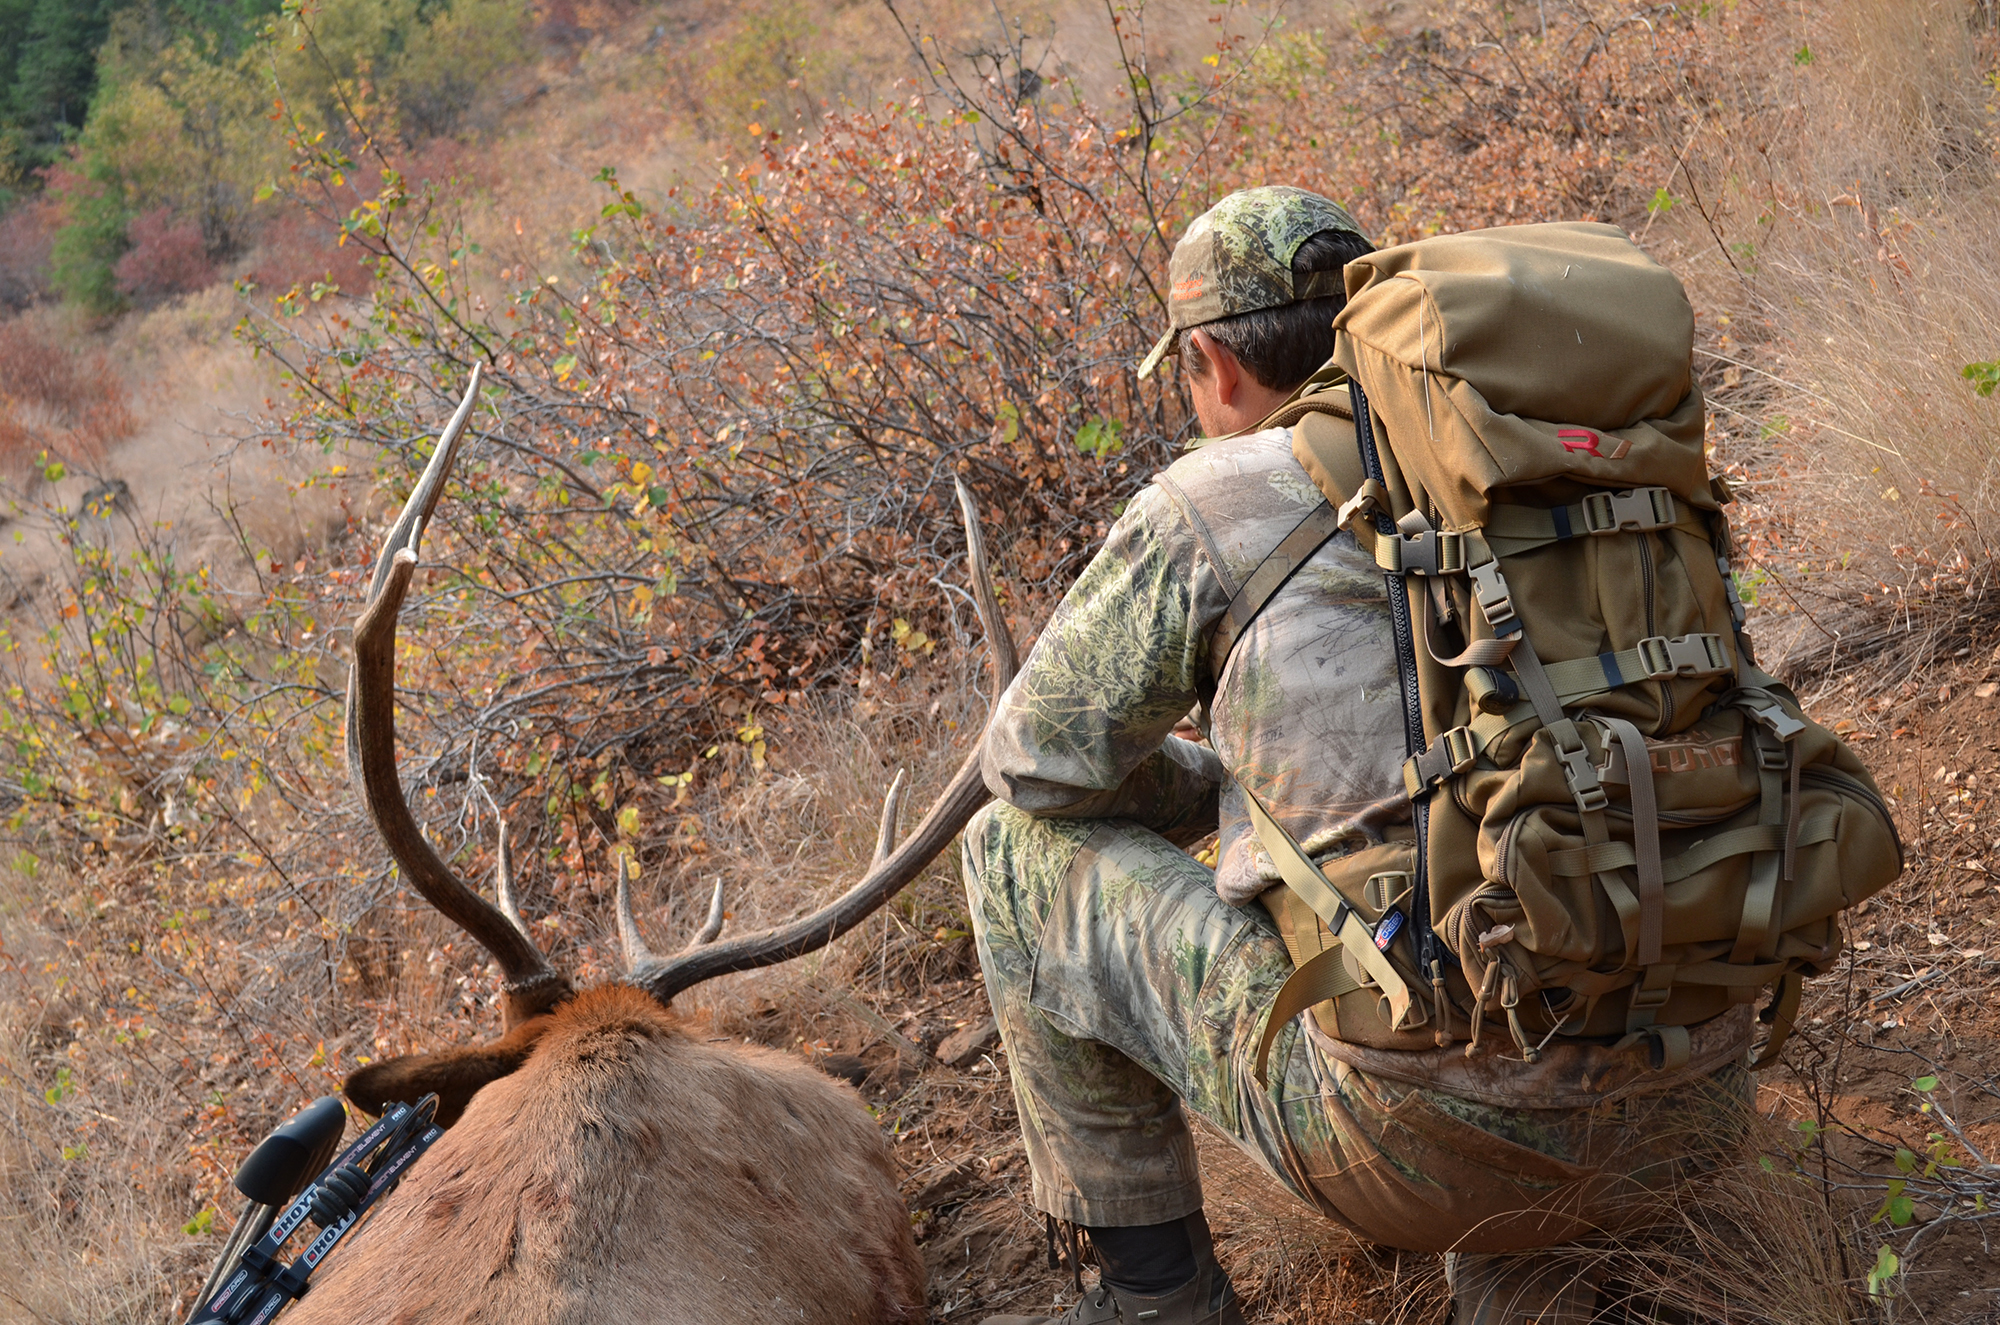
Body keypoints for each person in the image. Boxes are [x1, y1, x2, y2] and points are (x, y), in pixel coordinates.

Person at [963, 187, 1753, 1325]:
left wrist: (1212, 781)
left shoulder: (1218, 496)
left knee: (1008, 851)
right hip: (1697, 1101)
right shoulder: (1568, 456)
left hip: (1411, 1145)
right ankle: (1539, 1260)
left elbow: (1036, 769)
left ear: (1210, 364)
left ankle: (1151, 1298)